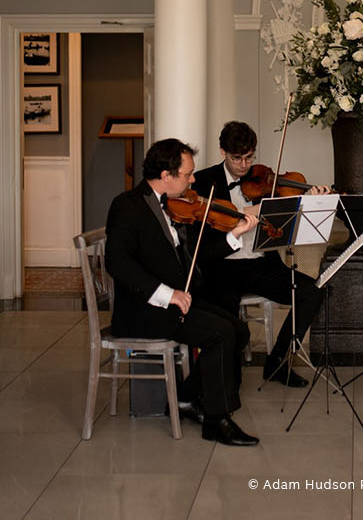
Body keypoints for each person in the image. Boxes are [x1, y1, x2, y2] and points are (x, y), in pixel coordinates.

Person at [103, 137, 260, 447]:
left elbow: (198, 255)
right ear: (166, 175)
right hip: (143, 310)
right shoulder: (127, 206)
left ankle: (187, 398)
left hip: (174, 303)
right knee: (220, 335)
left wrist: (235, 234)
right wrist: (167, 294)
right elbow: (117, 262)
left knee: (238, 329)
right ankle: (217, 419)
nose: (193, 179)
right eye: (187, 174)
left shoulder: (179, 206)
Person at [191, 121, 328, 388]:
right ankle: (226, 376)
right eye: (237, 158)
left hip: (260, 264)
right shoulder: (205, 182)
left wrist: (309, 199)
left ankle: (277, 361)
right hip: (221, 267)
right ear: (222, 152)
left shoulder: (265, 179)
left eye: (249, 157)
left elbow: (285, 223)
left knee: (312, 291)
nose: (243, 165)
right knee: (224, 308)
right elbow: (199, 241)